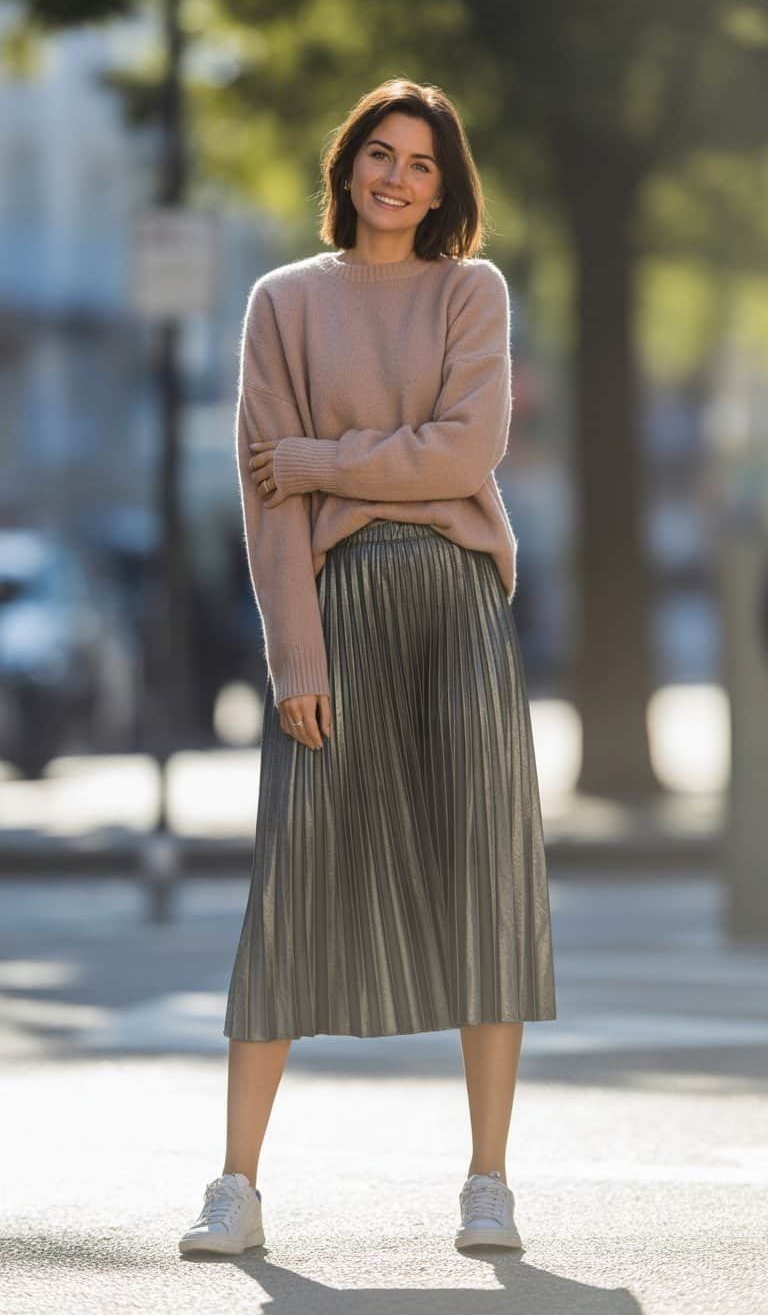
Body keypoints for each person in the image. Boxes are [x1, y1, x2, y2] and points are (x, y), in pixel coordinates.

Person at [179, 77, 557, 1259]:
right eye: (380, 155)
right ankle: (235, 1186)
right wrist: (295, 649)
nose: (396, 177)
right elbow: (265, 497)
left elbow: (470, 450)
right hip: (333, 610)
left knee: (488, 871)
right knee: (289, 883)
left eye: (422, 164)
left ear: (447, 186)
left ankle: (488, 1180)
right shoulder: (281, 301)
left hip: (457, 603)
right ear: (348, 165)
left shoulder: (471, 291)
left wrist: (317, 458)